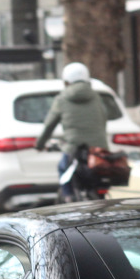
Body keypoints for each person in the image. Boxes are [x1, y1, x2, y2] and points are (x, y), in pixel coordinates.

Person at [34, 62, 108, 202]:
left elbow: (49, 125)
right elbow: (104, 118)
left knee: (63, 168)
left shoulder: (62, 98)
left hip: (74, 150)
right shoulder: (96, 97)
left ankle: (68, 199)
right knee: (100, 181)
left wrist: (39, 144)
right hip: (99, 151)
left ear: (66, 81)